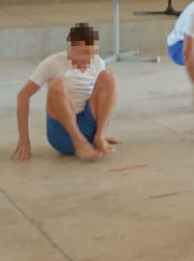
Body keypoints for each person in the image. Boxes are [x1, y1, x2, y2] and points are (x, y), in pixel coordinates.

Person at [13, 23, 118, 162]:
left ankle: (98, 137)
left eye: (92, 54)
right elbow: (23, 96)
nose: (89, 59)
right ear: (71, 49)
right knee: (57, 84)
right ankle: (79, 141)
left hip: (89, 127)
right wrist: (24, 141)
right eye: (84, 54)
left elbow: (102, 99)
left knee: (109, 77)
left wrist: (98, 132)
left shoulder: (97, 62)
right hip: (61, 133)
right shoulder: (52, 63)